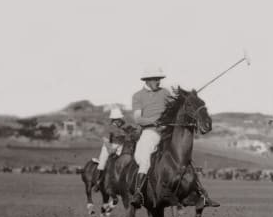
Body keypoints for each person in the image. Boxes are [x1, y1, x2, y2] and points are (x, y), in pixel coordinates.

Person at [130, 67, 219, 208]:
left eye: (159, 79)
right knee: (145, 161)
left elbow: (179, 102)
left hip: (168, 131)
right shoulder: (138, 96)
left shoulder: (165, 92)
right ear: (147, 80)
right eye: (155, 79)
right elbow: (137, 119)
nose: (158, 81)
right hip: (150, 132)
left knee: (183, 159)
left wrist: (189, 98)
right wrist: (153, 121)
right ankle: (138, 193)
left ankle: (202, 194)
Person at [92, 107, 127, 186]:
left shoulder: (123, 127)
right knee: (102, 162)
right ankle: (99, 181)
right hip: (110, 146)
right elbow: (106, 140)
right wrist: (110, 149)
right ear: (114, 119)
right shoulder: (108, 128)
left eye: (119, 118)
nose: (120, 120)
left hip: (121, 147)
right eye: (118, 119)